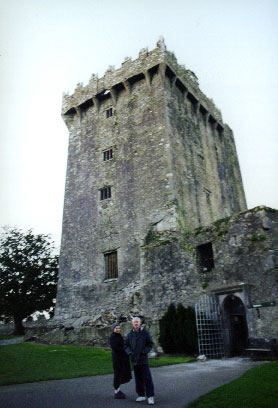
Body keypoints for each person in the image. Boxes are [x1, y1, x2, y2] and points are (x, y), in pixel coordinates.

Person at [125, 317, 155, 405]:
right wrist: (130, 352)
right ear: (132, 324)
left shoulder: (145, 333)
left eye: (137, 322)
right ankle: (141, 395)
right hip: (134, 359)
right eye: (134, 322)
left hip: (143, 359)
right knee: (138, 378)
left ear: (140, 323)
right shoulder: (130, 334)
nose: (136, 324)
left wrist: (144, 352)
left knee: (147, 378)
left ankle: (150, 396)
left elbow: (150, 344)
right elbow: (126, 345)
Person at [109, 323, 132, 399]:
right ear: (113, 329)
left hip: (121, 358)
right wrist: (124, 351)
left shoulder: (118, 336)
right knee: (117, 373)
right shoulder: (113, 337)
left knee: (120, 373)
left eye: (119, 328)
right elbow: (116, 348)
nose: (118, 329)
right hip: (117, 359)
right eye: (116, 328)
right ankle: (116, 391)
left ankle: (118, 390)